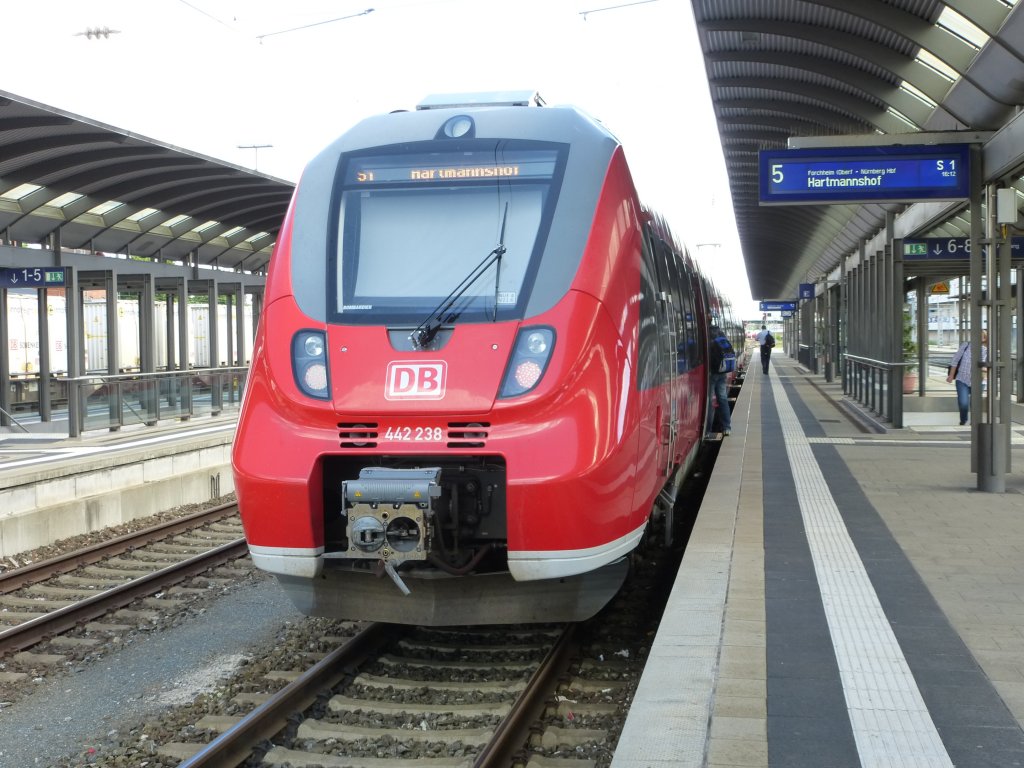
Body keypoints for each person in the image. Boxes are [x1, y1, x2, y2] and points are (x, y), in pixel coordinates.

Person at [945, 329, 988, 426]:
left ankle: (974, 422)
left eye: (981, 336)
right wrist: (951, 376)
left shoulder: (986, 350)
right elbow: (955, 360)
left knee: (975, 404)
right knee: (963, 403)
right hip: (962, 379)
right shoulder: (965, 346)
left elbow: (988, 366)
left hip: (979, 381)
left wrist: (984, 370)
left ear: (984, 339)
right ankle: (963, 420)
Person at [708, 324, 735, 436]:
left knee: (708, 402)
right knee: (723, 399)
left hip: (713, 374)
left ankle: (708, 430)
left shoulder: (710, 340)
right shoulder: (723, 338)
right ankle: (727, 427)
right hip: (722, 373)